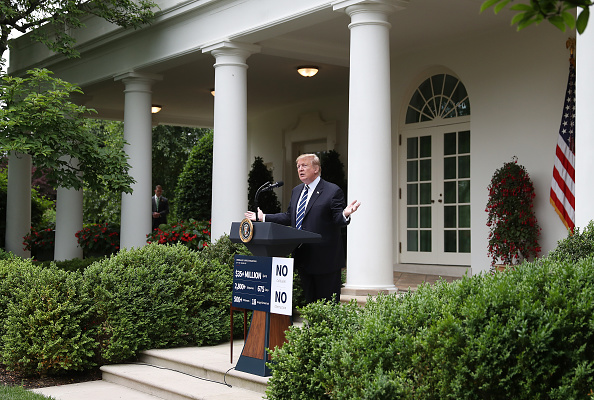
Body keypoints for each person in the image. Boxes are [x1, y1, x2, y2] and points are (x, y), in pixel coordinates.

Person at [245, 153, 360, 304]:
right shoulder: (297, 191)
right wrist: (264, 217)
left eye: (304, 165)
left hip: (326, 260)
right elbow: (289, 217)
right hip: (303, 257)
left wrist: (345, 213)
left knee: (328, 307)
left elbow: (337, 219)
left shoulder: (332, 191)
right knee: (310, 305)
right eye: (298, 166)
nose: (300, 169)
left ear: (316, 168)